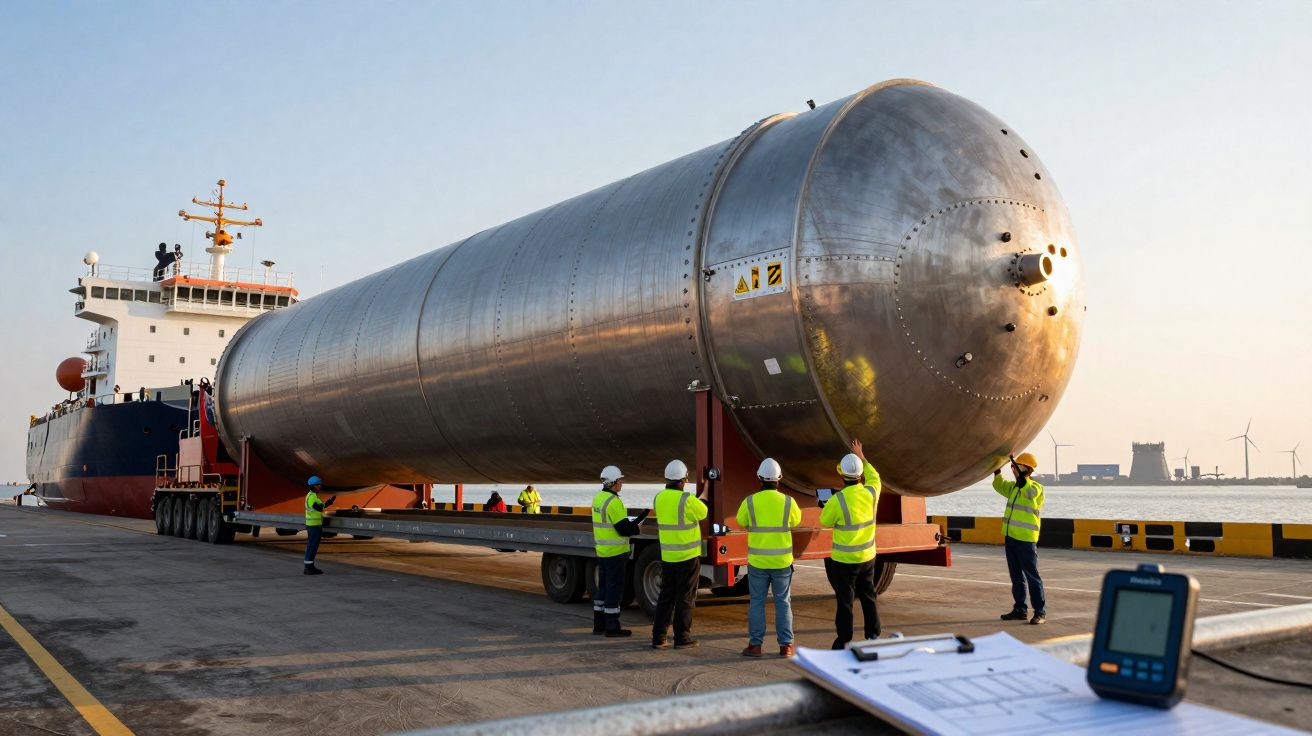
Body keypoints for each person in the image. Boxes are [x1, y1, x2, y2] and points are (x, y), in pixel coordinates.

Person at [819, 439, 882, 649]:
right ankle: (873, 635)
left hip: (843, 561)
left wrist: (825, 505)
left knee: (845, 602)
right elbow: (875, 477)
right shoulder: (872, 493)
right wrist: (862, 456)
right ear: (860, 475)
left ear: (841, 474)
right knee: (868, 596)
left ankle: (844, 639)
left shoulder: (837, 500)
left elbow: (824, 521)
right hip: (867, 557)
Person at [736, 458, 802, 658]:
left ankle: (755, 645)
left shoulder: (750, 501)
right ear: (779, 478)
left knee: (757, 602)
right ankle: (786, 646)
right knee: (783, 602)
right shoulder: (788, 502)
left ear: (759, 478)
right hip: (782, 562)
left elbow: (741, 521)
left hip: (758, 562)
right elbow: (796, 521)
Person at [650, 459, 708, 650]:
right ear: (684, 480)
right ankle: (682, 637)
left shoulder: (659, 498)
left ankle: (658, 637)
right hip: (688, 557)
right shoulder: (687, 500)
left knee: (665, 597)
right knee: (685, 598)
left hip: (668, 556)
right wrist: (705, 491)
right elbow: (703, 512)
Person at [591, 465, 647, 637]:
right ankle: (612, 627)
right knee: (614, 591)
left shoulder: (598, 499)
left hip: (602, 551)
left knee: (603, 588)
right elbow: (623, 529)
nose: (621, 483)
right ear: (614, 483)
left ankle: (599, 624)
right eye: (620, 480)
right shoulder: (614, 503)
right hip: (615, 553)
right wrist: (637, 527)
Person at [995, 452, 1046, 624]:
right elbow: (999, 485)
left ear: (1024, 468)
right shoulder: (1014, 488)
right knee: (1016, 577)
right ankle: (1020, 609)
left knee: (1032, 577)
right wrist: (996, 471)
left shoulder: (1035, 488)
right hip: (1010, 538)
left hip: (1025, 540)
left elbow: (1029, 492)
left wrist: (1013, 464)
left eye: (1014, 466)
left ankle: (1040, 612)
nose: (1012, 469)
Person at [304, 476, 336, 575]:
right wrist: (324, 505)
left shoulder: (312, 495)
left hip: (314, 524)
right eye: (318, 485)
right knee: (312, 546)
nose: (320, 486)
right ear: (314, 486)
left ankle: (309, 566)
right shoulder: (312, 497)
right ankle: (309, 568)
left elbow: (320, 506)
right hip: (314, 525)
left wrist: (328, 503)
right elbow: (318, 508)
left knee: (312, 546)